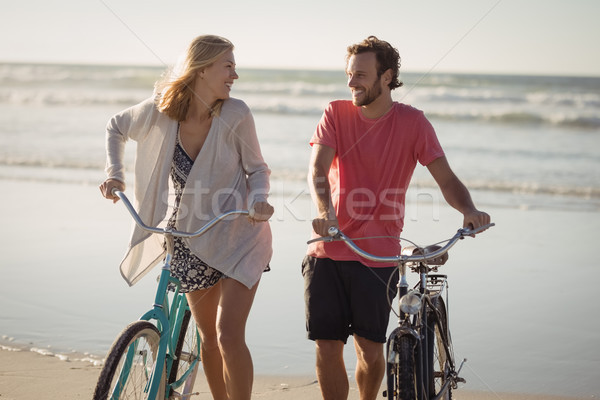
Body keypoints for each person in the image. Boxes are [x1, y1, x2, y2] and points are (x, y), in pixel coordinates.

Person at [303, 36, 491, 400]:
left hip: (378, 254)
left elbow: (447, 179)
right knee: (327, 347)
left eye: (360, 75)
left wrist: (468, 210)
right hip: (329, 247)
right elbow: (318, 171)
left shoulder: (413, 123)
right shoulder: (335, 114)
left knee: (370, 351)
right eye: (349, 74)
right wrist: (325, 213)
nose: (351, 82)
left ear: (387, 77)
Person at [99, 35, 274, 400]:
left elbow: (257, 170)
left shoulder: (236, 113)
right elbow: (116, 126)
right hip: (190, 238)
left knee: (228, 335)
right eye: (228, 65)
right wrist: (114, 172)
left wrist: (259, 200)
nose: (234, 75)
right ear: (203, 68)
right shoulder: (162, 110)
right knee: (208, 339)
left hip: (241, 235)